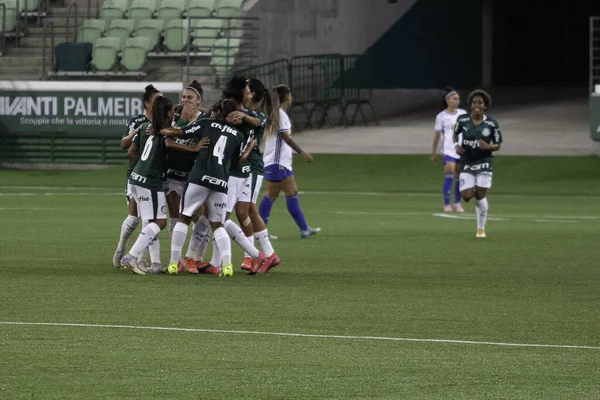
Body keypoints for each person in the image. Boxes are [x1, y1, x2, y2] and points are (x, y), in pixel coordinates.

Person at [161, 98, 259, 277]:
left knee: (184, 218)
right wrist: (250, 147)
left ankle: (173, 263)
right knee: (218, 225)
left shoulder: (206, 124)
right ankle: (227, 266)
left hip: (200, 178)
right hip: (221, 183)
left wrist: (161, 129)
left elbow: (178, 132)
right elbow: (237, 161)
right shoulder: (238, 135)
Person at [120, 96, 209, 274]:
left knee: (151, 222)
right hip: (150, 180)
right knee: (159, 222)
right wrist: (194, 148)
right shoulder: (165, 130)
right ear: (169, 113)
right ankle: (130, 256)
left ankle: (154, 264)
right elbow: (169, 140)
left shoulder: (147, 126)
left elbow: (131, 150)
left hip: (137, 177)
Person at [258, 84, 320, 239]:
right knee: (270, 195)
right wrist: (302, 152)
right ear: (286, 97)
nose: (292, 98)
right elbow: (285, 137)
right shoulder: (279, 114)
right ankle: (259, 233)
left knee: (292, 193)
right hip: (276, 163)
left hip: (282, 163)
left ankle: (304, 229)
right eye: (290, 95)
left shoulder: (276, 113)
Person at [112, 84, 160, 269]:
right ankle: (121, 248)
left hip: (154, 176)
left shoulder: (163, 123)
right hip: (137, 175)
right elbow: (124, 145)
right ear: (147, 104)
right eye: (156, 100)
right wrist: (139, 130)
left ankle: (141, 259)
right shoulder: (138, 121)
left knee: (148, 217)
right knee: (135, 218)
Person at [239, 77, 280, 273]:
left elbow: (254, 121)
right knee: (248, 209)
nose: (242, 90)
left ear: (253, 93)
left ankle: (250, 256)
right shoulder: (241, 108)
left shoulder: (258, 114)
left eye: (246, 87)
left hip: (253, 166)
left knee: (245, 209)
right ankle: (269, 254)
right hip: (242, 166)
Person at [453, 89, 502, 238]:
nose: (477, 105)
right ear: (470, 104)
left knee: (480, 194)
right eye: (474, 102)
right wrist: (456, 145)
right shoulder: (462, 120)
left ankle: (481, 229)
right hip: (467, 161)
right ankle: (470, 185)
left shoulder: (492, 123)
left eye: (480, 102)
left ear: (485, 106)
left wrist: (487, 147)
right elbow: (455, 134)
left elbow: (498, 144)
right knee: (467, 197)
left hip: (484, 161)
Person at [164, 80, 206, 239]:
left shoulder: (205, 119)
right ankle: (175, 260)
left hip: (194, 175)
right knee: (175, 215)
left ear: (198, 100)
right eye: (183, 97)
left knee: (198, 217)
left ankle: (194, 257)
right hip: (173, 171)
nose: (185, 100)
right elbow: (168, 141)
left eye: (189, 97)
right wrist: (182, 118)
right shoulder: (174, 117)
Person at [431, 87, 467, 212]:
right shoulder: (441, 116)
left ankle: (457, 202)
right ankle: (446, 204)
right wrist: (433, 153)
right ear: (447, 100)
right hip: (448, 150)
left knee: (460, 176)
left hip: (461, 150)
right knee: (449, 174)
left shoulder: (463, 114)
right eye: (454, 98)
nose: (457, 101)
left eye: (458, 99)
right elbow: (436, 136)